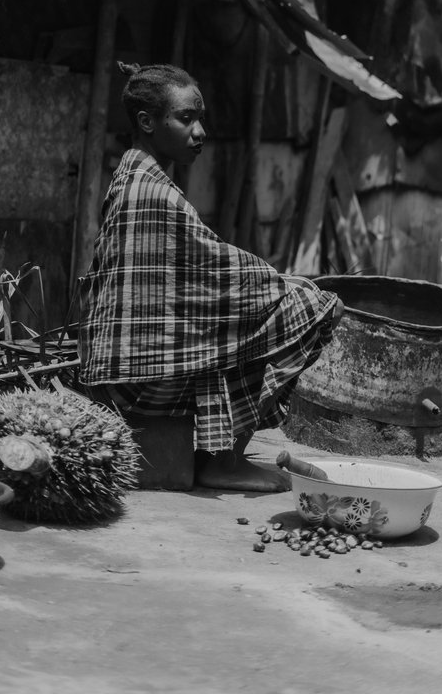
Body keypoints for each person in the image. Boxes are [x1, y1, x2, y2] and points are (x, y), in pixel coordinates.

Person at [78, 61, 343, 492]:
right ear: (147, 122)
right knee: (312, 308)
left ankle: (218, 456)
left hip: (119, 371)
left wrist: (271, 282)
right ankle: (224, 462)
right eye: (186, 118)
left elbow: (204, 271)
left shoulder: (133, 173)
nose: (200, 131)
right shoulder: (152, 191)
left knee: (234, 318)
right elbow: (217, 270)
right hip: (136, 381)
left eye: (200, 118)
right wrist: (286, 285)